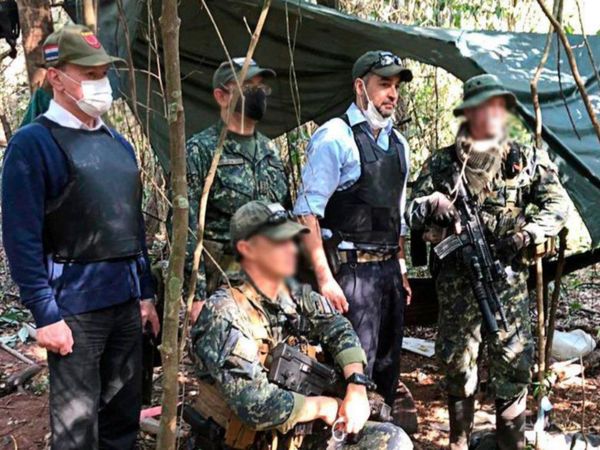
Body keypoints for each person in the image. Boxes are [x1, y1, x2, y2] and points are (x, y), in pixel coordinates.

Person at [2, 25, 159, 449]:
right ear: (56, 78)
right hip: (74, 310)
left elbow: (132, 228)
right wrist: (45, 314)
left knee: (121, 421)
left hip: (125, 305)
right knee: (76, 431)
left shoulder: (119, 145)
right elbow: (20, 237)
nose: (99, 83)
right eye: (88, 74)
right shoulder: (33, 144)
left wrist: (144, 294)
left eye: (103, 73)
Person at [406, 74, 570, 450]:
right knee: (457, 361)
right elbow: (410, 212)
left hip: (506, 278)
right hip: (457, 282)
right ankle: (459, 442)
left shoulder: (522, 159)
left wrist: (524, 236)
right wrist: (432, 204)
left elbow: (557, 205)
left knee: (513, 362)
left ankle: (508, 445)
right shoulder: (444, 163)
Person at [191, 201, 412, 449]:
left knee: (392, 440)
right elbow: (255, 404)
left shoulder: (292, 294)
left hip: (291, 436)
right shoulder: (224, 313)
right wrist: (323, 406)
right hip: (240, 442)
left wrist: (357, 384)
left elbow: (338, 327)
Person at [293, 50, 415, 422]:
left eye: (396, 87)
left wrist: (401, 269)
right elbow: (307, 214)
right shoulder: (335, 138)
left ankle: (381, 439)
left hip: (388, 277)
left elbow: (396, 216)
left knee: (386, 373)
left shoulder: (399, 145)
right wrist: (325, 280)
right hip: (350, 276)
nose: (392, 94)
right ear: (360, 86)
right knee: (350, 378)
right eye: (383, 85)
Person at [185, 57, 290, 323]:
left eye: (261, 87)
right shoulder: (202, 150)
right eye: (247, 86)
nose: (258, 93)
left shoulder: (270, 150)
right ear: (221, 96)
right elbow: (185, 227)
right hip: (222, 287)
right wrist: (195, 296)